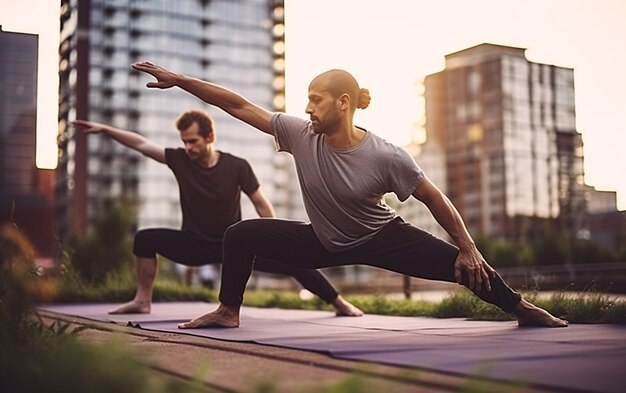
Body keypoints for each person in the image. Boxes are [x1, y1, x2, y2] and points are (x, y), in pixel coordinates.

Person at [130, 61, 569, 329]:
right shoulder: (301, 135)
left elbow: (435, 199)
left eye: (316, 100)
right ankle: (229, 310)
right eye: (306, 99)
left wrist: (468, 248)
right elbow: (240, 105)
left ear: (343, 102)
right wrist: (181, 80)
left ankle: (521, 306)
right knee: (240, 234)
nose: (307, 108)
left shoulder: (385, 156)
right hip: (321, 240)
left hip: (381, 237)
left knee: (461, 268)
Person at [72, 110, 363, 316]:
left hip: (233, 246)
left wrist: (274, 237)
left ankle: (339, 303)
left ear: (210, 136)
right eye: (184, 141)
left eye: (193, 141)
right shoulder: (180, 160)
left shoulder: (237, 166)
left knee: (295, 263)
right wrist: (107, 130)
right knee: (144, 239)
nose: (187, 147)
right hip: (194, 244)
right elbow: (141, 144)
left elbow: (261, 203)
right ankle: (142, 301)